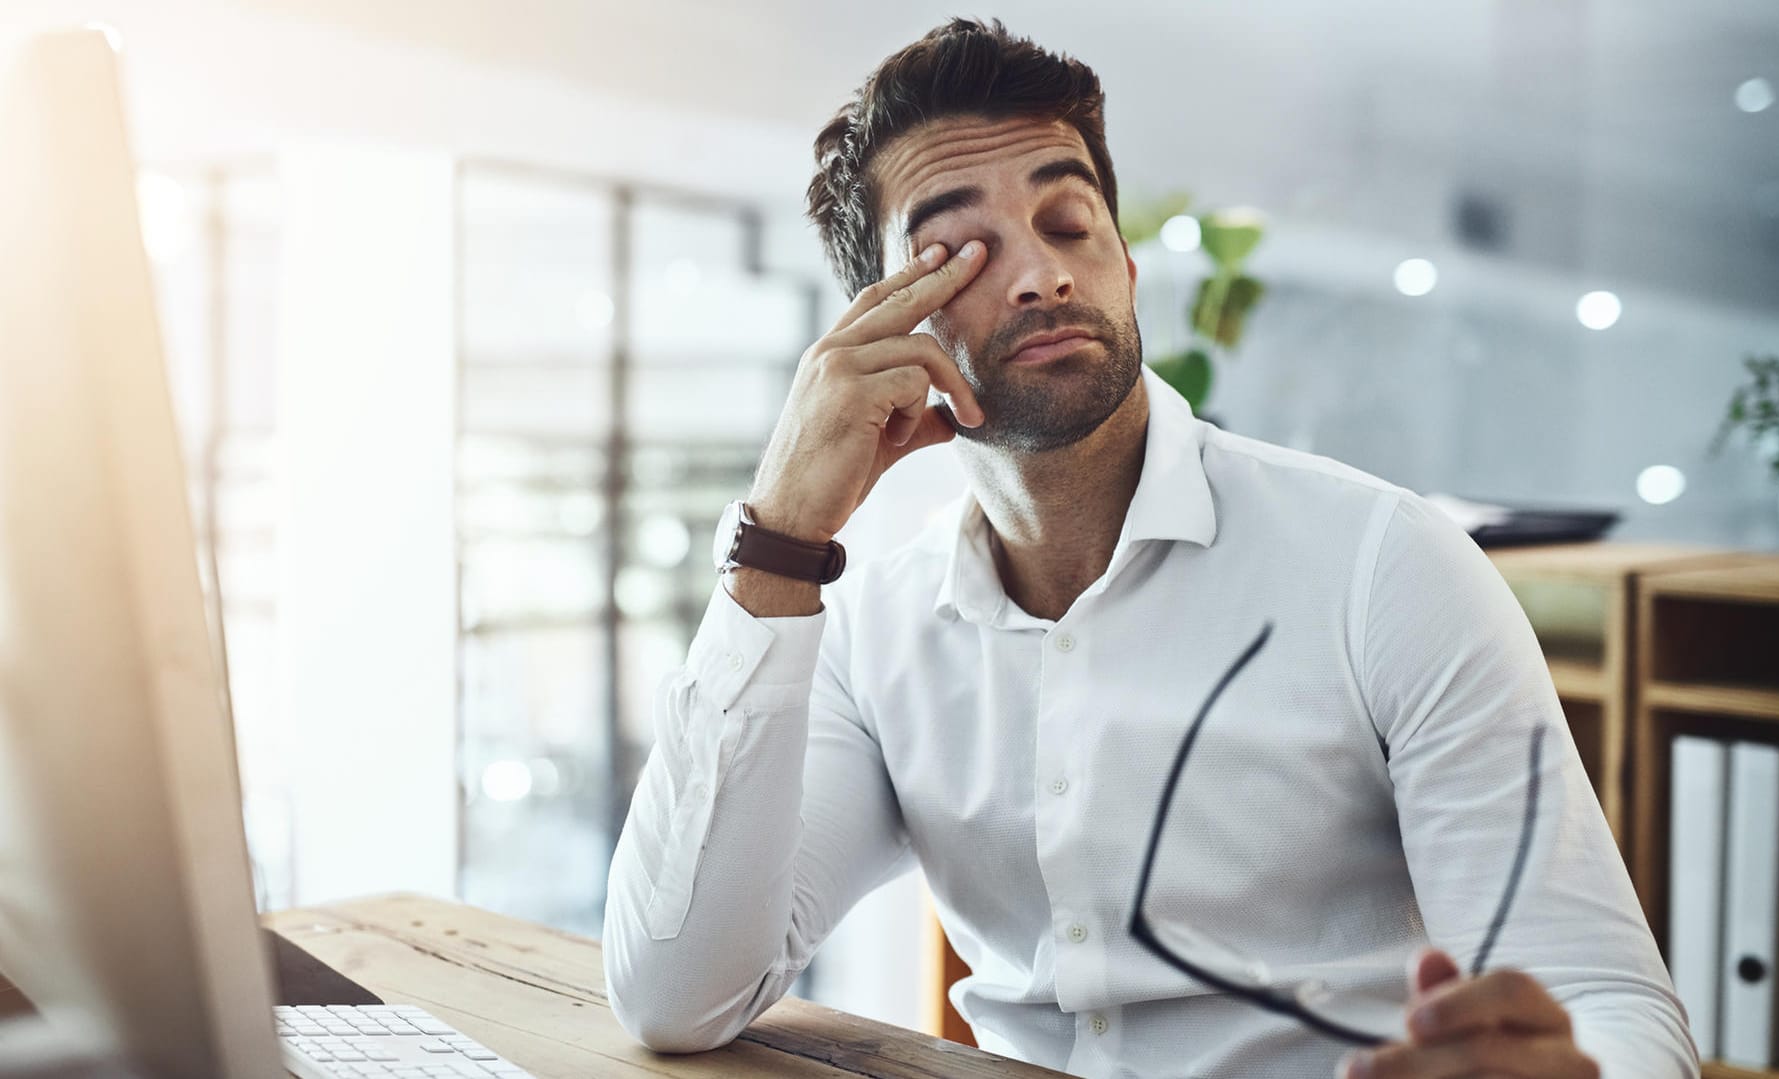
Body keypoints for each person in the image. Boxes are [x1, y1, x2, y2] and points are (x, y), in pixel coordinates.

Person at [603, 18, 1694, 1079]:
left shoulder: (1386, 568)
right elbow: (677, 993)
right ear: (883, 329)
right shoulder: (876, 627)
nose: (1040, 275)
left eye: (1069, 224)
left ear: (1124, 262)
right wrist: (777, 543)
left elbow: (1612, 1001)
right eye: (957, 250)